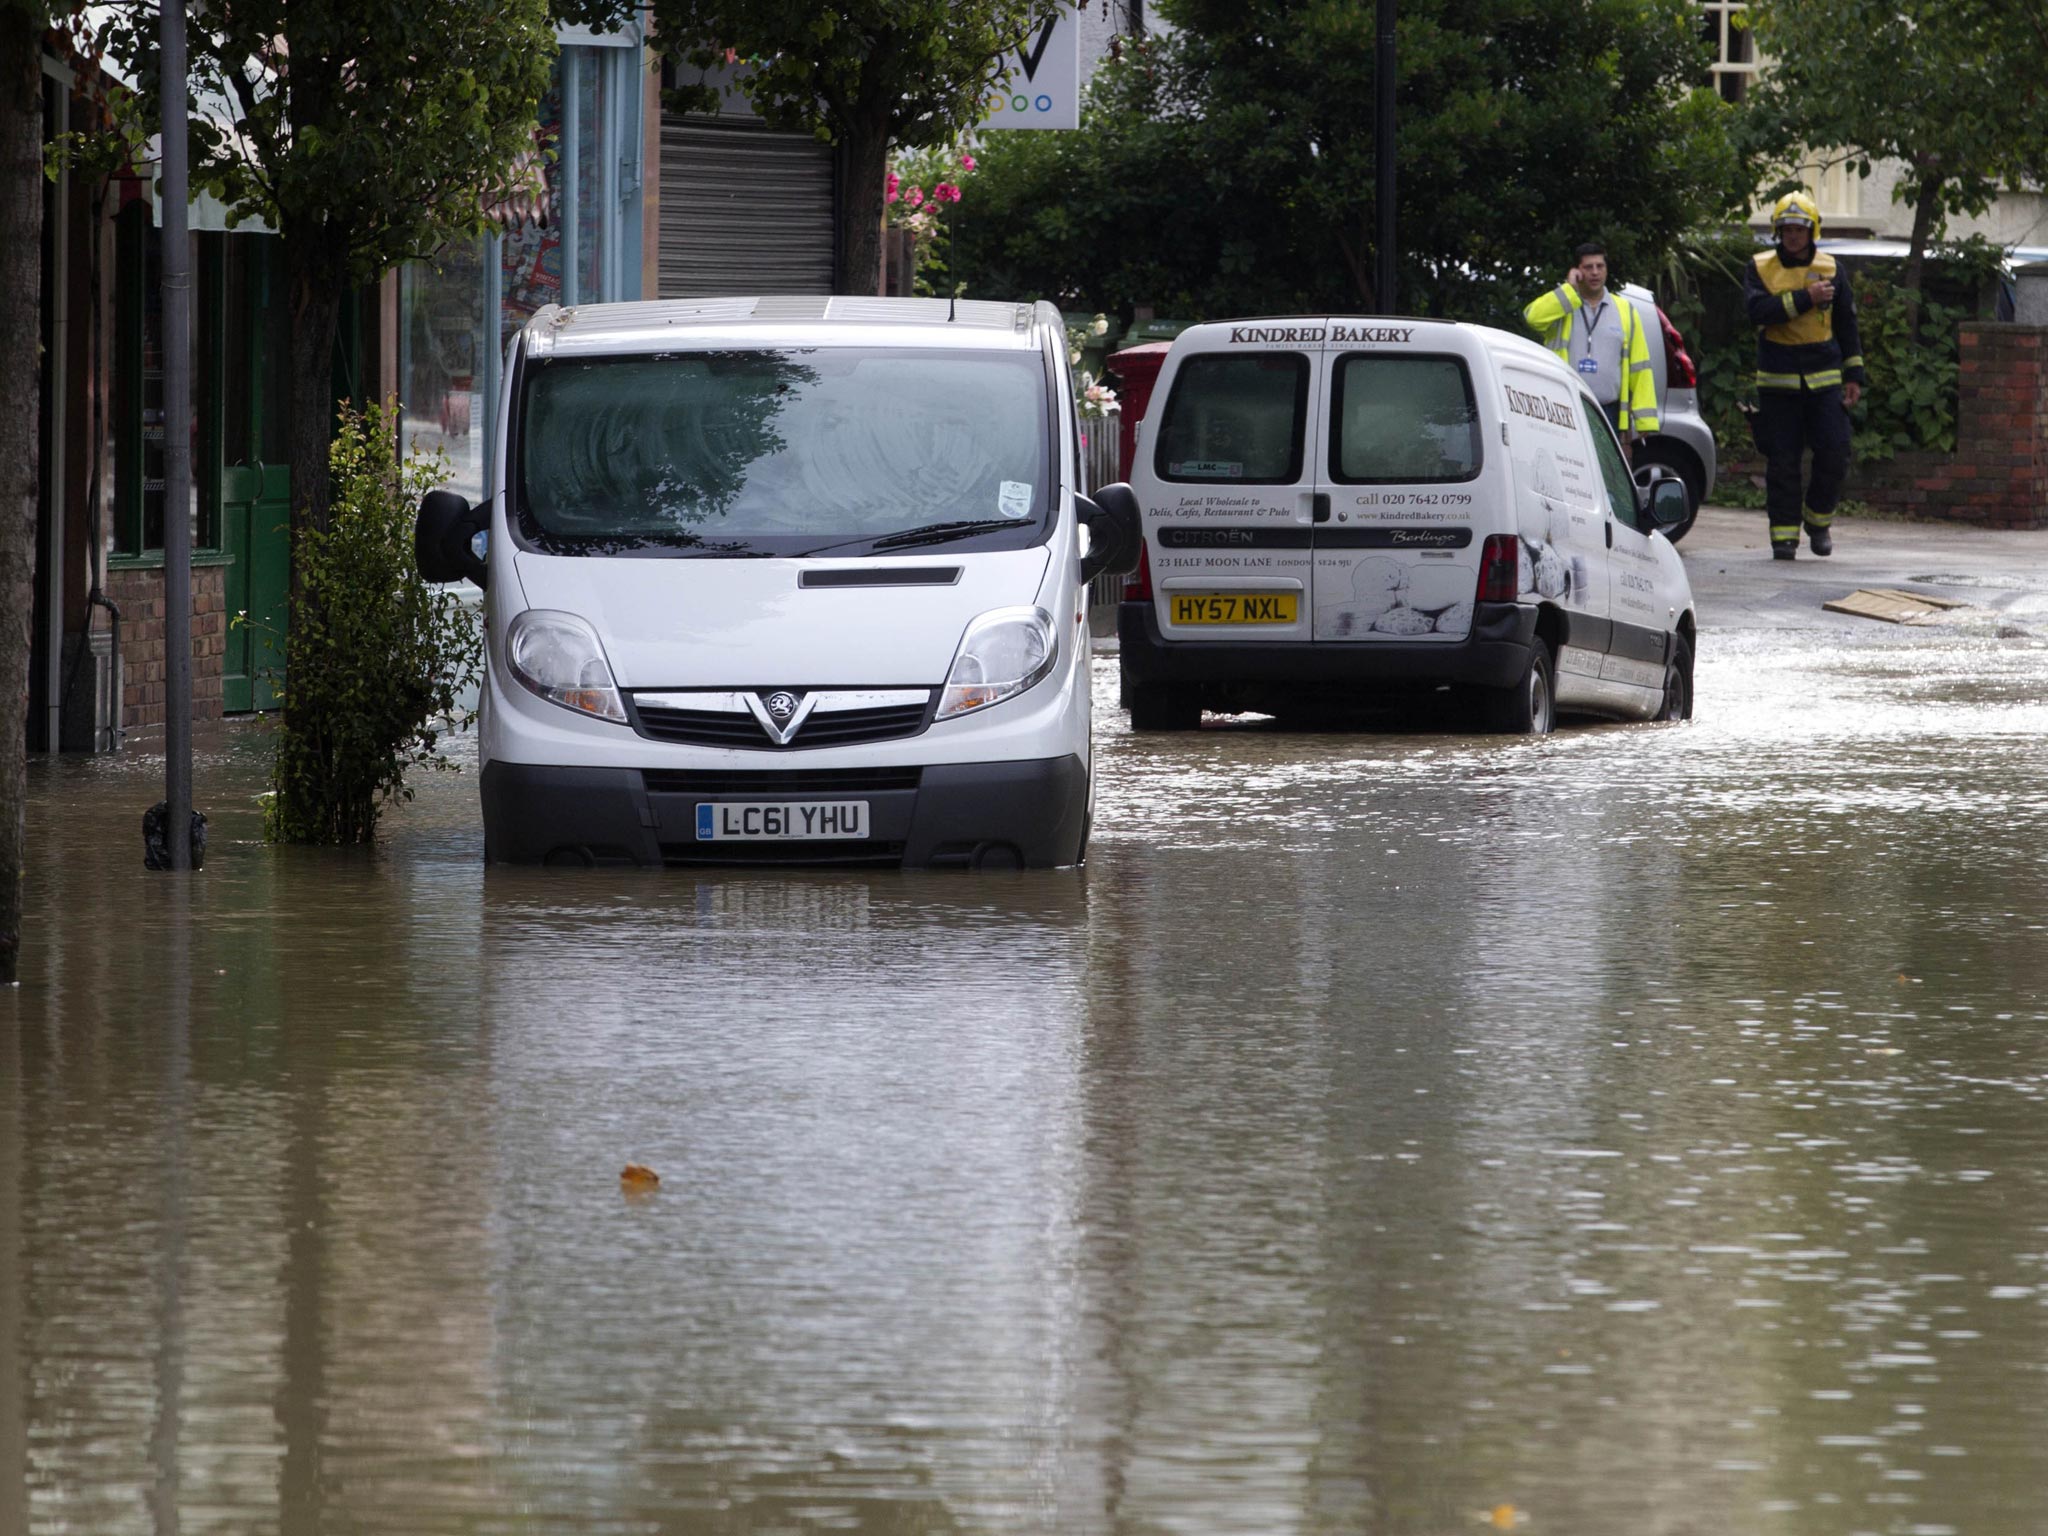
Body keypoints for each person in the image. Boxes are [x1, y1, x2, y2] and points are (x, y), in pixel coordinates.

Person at [1743, 192, 1865, 559]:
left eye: (1800, 229)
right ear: (1777, 232)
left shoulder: (1832, 268)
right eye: (1787, 229)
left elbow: (1846, 322)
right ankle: (1783, 538)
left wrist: (1854, 373)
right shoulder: (1760, 267)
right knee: (1782, 462)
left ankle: (1818, 522)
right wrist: (1805, 298)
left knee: (1835, 453)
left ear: (1813, 231)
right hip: (1778, 382)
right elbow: (1757, 311)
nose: (1793, 235)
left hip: (1824, 379)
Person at [1522, 242, 1660, 451]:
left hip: (1608, 411)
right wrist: (1568, 290)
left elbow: (1640, 368)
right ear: (1577, 271)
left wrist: (1644, 420)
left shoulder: (1625, 310)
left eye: (1600, 266)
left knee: (1605, 476)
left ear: (1606, 269)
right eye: (1588, 267)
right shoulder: (1564, 306)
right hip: (1566, 407)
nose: (1595, 272)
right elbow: (1532, 317)